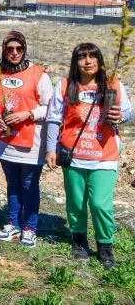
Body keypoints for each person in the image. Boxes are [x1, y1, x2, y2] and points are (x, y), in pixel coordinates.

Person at [45, 43, 132, 268]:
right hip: (73, 155)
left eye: (92, 56)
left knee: (100, 204)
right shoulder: (65, 86)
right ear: (75, 62)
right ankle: (79, 241)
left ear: (99, 61)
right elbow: (53, 118)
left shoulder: (112, 84)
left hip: (104, 154)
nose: (87, 61)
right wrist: (50, 149)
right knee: (75, 202)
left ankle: (105, 245)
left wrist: (120, 116)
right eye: (82, 57)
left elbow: (128, 112)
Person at [0, 30, 53, 248]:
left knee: (29, 185)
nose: (14, 53)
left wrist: (28, 114)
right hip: (5, 141)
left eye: (19, 48)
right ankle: (13, 223)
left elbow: (50, 107)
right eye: (10, 49)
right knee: (13, 183)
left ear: (25, 49)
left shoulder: (38, 74)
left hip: (31, 142)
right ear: (4, 50)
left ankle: (30, 227)